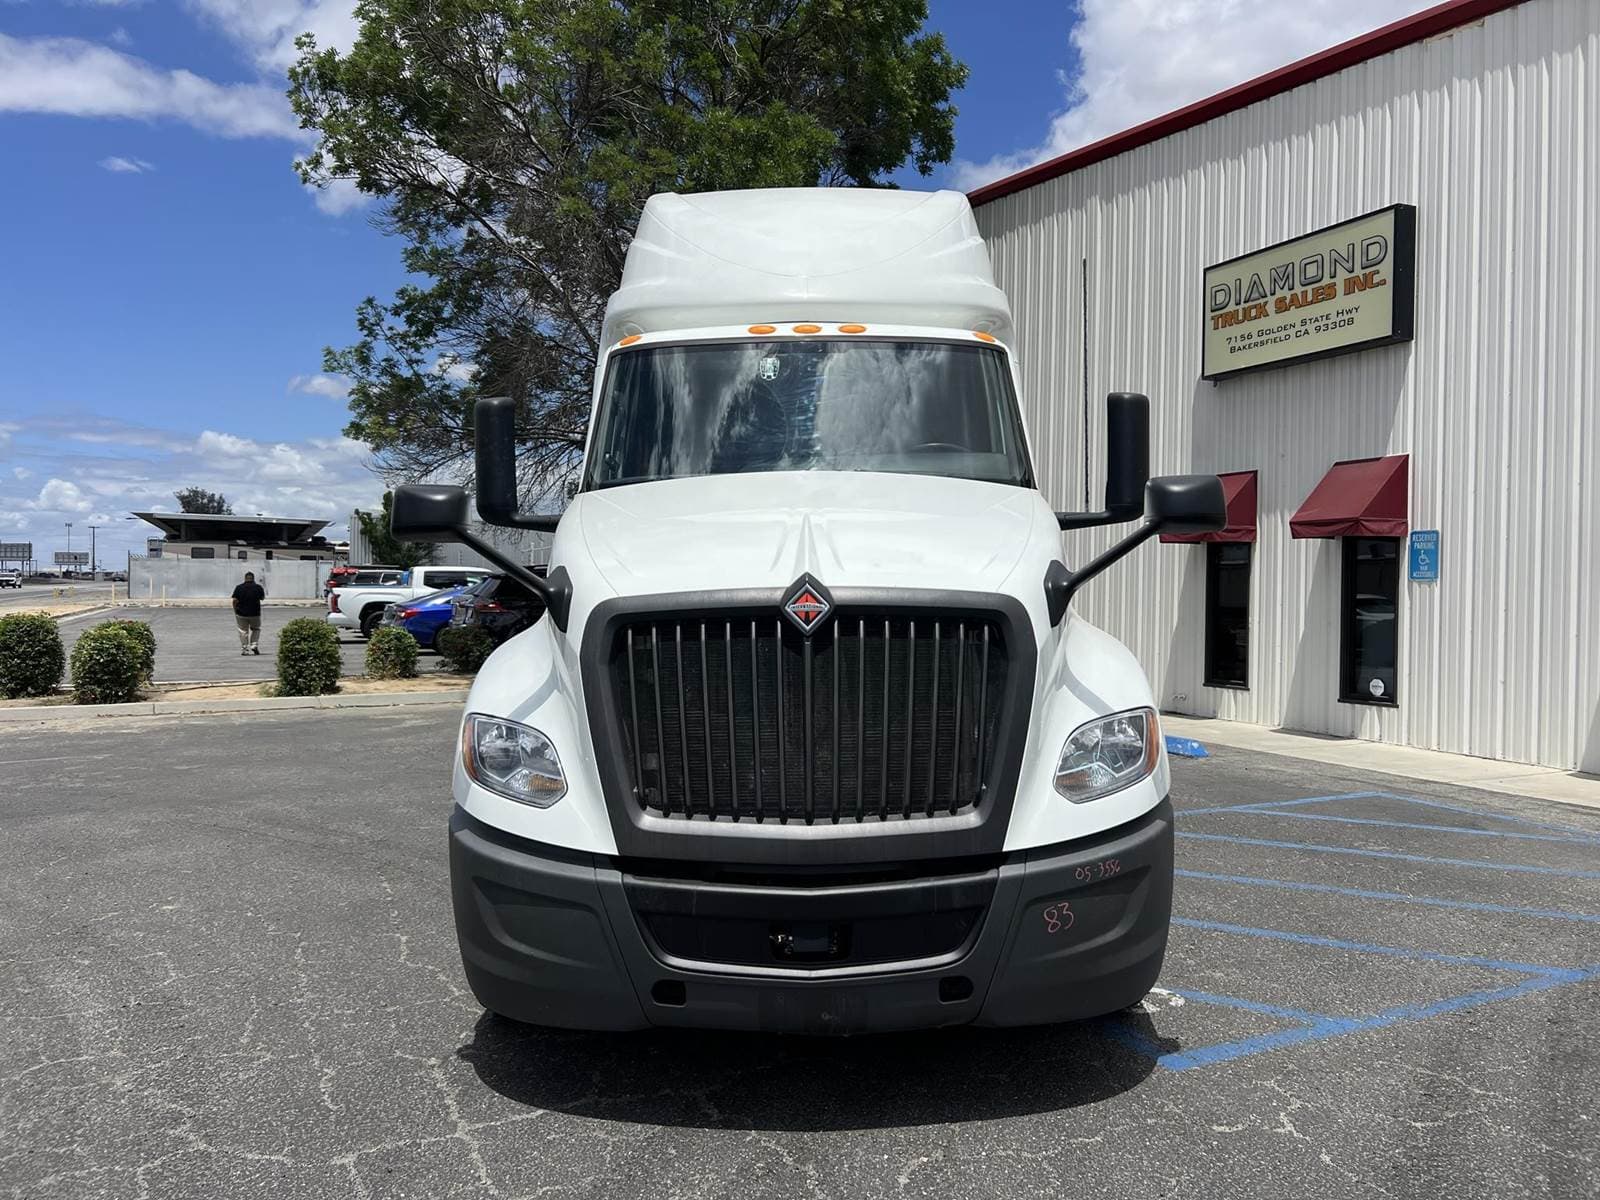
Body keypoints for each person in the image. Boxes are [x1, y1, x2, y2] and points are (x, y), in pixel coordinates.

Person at [231, 570, 266, 655]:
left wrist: (235, 610)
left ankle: (245, 648)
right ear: (253, 579)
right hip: (255, 613)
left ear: (245, 578)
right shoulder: (258, 587)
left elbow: (235, 600)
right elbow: (262, 598)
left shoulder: (239, 587)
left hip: (241, 613)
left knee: (243, 630)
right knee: (256, 629)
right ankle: (254, 645)